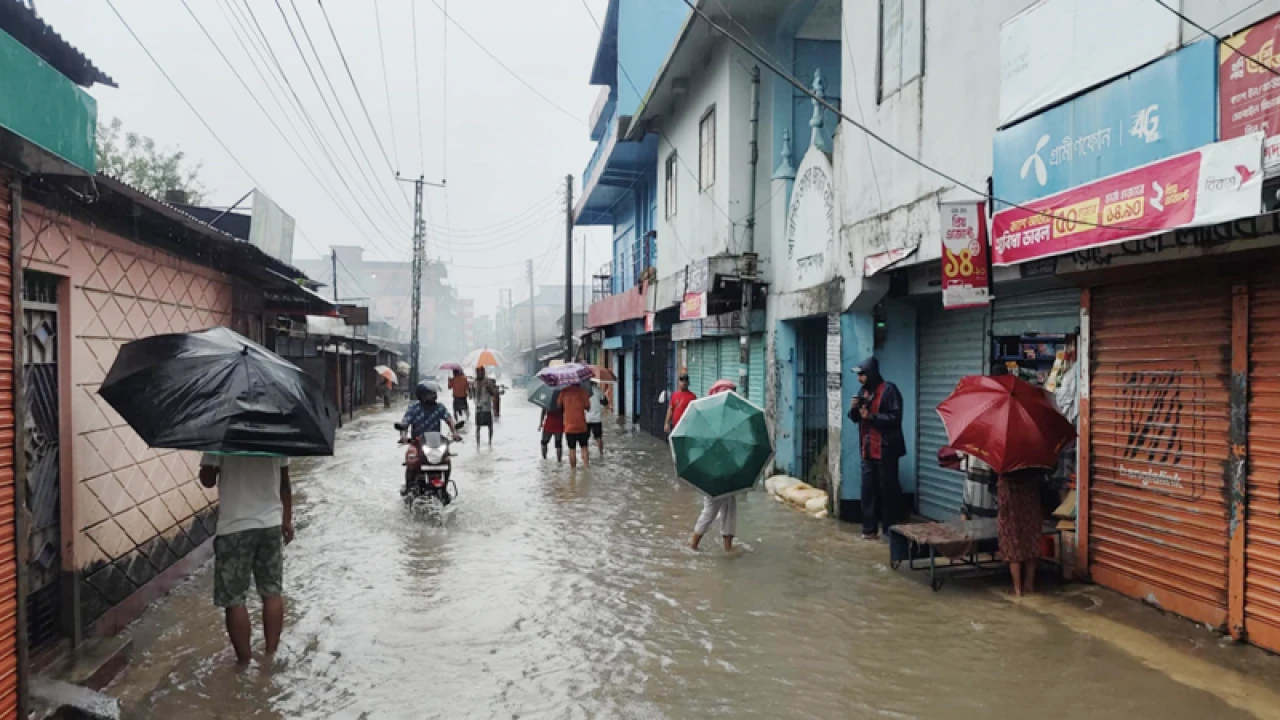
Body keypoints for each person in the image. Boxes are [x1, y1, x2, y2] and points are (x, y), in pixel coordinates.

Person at [198, 453, 293, 664]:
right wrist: (287, 520)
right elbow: (285, 483)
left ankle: (244, 663)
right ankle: (270, 657)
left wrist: (208, 463)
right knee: (271, 592)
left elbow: (207, 480)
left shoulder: (220, 430)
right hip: (270, 524)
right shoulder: (280, 431)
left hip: (235, 526)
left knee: (234, 599)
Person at [847, 357, 905, 541]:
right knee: (867, 491)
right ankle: (869, 529)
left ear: (871, 374)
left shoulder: (889, 390)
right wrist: (854, 409)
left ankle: (890, 530)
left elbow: (895, 418)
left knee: (887, 490)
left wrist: (872, 417)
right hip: (867, 449)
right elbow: (856, 418)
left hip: (886, 450)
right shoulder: (863, 392)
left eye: (862, 375)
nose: (859, 379)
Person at [690, 380, 740, 552]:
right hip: (713, 472)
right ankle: (693, 544)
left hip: (728, 472)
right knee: (710, 510)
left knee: (730, 510)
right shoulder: (709, 419)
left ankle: (728, 547)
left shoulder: (730, 419)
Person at [401, 381, 461, 491]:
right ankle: (408, 487)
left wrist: (455, 433)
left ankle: (444, 487)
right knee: (411, 460)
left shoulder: (440, 408)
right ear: (423, 395)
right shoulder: (413, 408)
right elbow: (405, 423)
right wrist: (404, 435)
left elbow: (449, 420)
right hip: (417, 443)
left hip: (435, 443)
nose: (434, 396)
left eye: (434, 393)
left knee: (447, 460)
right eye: (431, 394)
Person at [999, 469, 1045, 597]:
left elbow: (1003, 501)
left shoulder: (1005, 470)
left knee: (1013, 546)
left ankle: (1017, 589)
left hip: (1011, 511)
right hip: (1030, 508)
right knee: (1030, 543)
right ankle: (1029, 584)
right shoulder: (1032, 465)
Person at [558, 380, 592, 469]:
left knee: (572, 449)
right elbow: (588, 407)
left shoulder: (564, 392)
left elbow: (559, 406)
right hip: (582, 426)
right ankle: (586, 467)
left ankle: (573, 472)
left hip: (569, 427)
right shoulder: (583, 392)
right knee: (584, 447)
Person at [472, 366, 500, 447]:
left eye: (481, 372)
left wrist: (488, 388)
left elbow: (493, 393)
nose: (479, 373)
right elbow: (472, 395)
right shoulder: (474, 382)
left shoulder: (488, 381)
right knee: (478, 427)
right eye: (478, 372)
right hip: (478, 407)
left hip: (487, 407)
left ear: (483, 372)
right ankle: (478, 444)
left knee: (489, 426)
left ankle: (490, 442)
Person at [584, 380, 609, 455]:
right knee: (598, 437)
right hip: (597, 418)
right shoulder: (598, 390)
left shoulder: (583, 391)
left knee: (585, 438)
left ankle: (586, 453)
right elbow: (605, 402)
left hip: (586, 418)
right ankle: (601, 453)